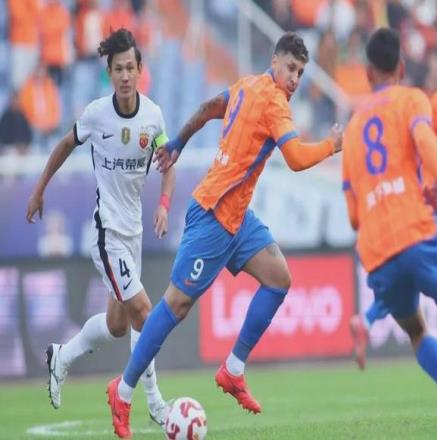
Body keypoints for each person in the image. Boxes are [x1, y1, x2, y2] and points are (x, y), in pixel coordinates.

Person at [106, 31, 343, 439]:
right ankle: (123, 391)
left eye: (301, 73)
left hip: (237, 218)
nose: (294, 79)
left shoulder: (246, 85)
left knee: (278, 278)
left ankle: (233, 369)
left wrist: (178, 142)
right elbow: (296, 158)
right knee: (175, 305)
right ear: (275, 62)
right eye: (290, 68)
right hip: (213, 215)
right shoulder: (274, 103)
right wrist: (332, 145)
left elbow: (208, 108)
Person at [342, 28, 437, 440]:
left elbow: (353, 216)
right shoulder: (413, 99)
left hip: (377, 251)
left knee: (416, 331)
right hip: (419, 230)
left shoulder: (353, 128)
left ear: (367, 72)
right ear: (401, 67)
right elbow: (427, 142)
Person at [26, 28, 175, 427]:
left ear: (140, 70)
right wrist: (39, 190)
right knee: (144, 312)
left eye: (130, 68)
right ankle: (154, 402)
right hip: (107, 232)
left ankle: (62, 355)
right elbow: (64, 145)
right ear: (109, 73)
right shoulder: (95, 114)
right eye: (118, 69)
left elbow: (168, 161)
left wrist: (164, 204)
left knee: (117, 324)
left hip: (134, 230)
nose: (125, 76)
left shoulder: (153, 116)